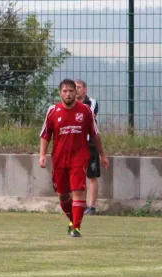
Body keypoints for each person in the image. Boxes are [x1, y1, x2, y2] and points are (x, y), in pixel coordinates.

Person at [39, 79, 109, 238]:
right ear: (60, 93)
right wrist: (42, 155)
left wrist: (102, 155)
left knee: (78, 191)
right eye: (65, 91)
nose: (68, 94)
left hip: (79, 157)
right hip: (59, 159)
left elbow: (95, 135)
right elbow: (45, 135)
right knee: (63, 195)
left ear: (75, 92)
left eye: (71, 91)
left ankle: (76, 227)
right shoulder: (52, 111)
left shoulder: (85, 111)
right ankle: (73, 220)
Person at [75, 79, 100, 215]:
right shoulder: (68, 103)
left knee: (92, 175)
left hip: (89, 144)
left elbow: (88, 117)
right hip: (74, 145)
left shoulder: (92, 102)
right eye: (74, 87)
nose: (76, 90)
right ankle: (79, 205)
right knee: (77, 175)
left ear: (85, 89)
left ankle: (91, 206)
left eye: (78, 87)